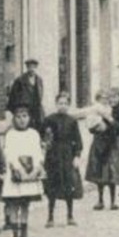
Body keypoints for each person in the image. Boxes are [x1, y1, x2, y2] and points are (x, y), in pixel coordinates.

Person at [1, 106, 45, 237]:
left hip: (31, 173)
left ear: (29, 118)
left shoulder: (34, 134)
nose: (22, 120)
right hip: (17, 173)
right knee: (15, 204)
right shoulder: (11, 134)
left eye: (25, 116)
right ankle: (15, 236)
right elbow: (9, 154)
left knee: (26, 204)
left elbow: (38, 152)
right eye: (19, 117)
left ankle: (25, 235)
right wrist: (18, 169)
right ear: (14, 118)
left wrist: (36, 168)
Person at [40, 92, 84, 227]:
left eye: (65, 103)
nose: (62, 106)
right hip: (53, 155)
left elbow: (77, 140)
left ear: (69, 105)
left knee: (69, 184)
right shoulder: (49, 119)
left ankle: (70, 215)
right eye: (60, 103)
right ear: (56, 104)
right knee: (52, 185)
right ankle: (50, 217)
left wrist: (76, 156)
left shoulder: (72, 121)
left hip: (67, 155)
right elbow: (42, 136)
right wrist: (44, 144)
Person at [84, 89, 119, 211]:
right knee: (99, 172)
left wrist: (110, 121)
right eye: (105, 98)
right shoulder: (97, 109)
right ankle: (100, 199)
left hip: (112, 144)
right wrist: (95, 128)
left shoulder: (118, 112)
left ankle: (113, 201)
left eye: (110, 98)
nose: (108, 100)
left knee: (111, 173)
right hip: (99, 142)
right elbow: (90, 127)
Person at [6, 58, 46, 135]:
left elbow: (40, 94)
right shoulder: (20, 80)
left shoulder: (39, 80)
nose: (32, 69)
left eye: (33, 67)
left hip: (36, 110)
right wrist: (15, 110)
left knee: (38, 129)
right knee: (24, 129)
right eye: (30, 67)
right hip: (25, 109)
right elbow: (13, 96)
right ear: (27, 68)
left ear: (36, 67)